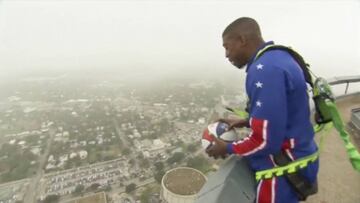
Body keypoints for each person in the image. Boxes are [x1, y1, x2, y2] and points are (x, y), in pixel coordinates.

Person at [206, 17, 319, 203]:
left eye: (227, 47)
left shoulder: (264, 70)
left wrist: (226, 147)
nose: (226, 54)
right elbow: (285, 115)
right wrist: (247, 120)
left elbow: (266, 141)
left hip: (282, 170)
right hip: (301, 158)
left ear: (242, 40)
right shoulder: (278, 57)